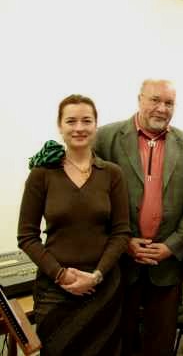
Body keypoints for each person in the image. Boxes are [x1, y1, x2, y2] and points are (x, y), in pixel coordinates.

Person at [94, 79, 183, 356]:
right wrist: (124, 241)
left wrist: (172, 246)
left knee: (160, 342)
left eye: (169, 103)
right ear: (139, 99)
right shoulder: (106, 138)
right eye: (155, 100)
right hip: (120, 262)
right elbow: (95, 200)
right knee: (120, 339)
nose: (162, 108)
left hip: (165, 264)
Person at [18, 94, 131, 355]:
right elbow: (26, 236)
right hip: (55, 292)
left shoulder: (112, 174)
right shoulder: (41, 175)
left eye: (86, 121)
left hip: (103, 289)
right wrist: (61, 274)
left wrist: (97, 275)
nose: (79, 128)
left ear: (95, 125)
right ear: (60, 126)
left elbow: (121, 232)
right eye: (71, 121)